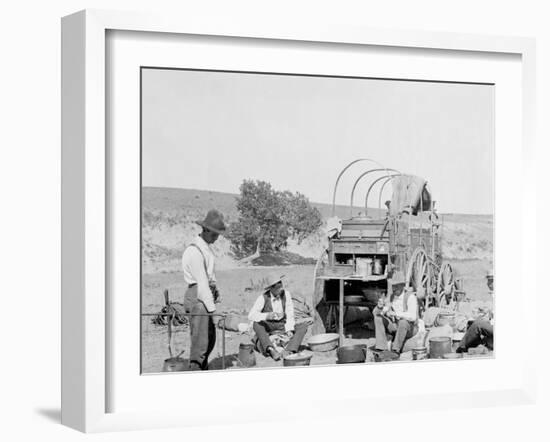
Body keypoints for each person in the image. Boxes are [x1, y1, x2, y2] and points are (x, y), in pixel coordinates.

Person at [181, 209, 226, 370]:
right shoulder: (194, 251)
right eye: (214, 235)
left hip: (205, 295)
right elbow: (201, 284)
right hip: (198, 298)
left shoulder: (205, 247)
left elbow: (209, 277)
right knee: (200, 343)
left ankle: (202, 368)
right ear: (205, 230)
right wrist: (213, 313)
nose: (216, 238)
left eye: (218, 235)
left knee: (209, 340)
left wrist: (216, 292)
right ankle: (196, 371)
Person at [248, 276, 308, 361]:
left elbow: (290, 313)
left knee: (303, 326)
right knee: (256, 324)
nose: (281, 290)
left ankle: (289, 350)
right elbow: (251, 315)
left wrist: (289, 329)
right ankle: (271, 349)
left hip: (282, 326)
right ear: (271, 288)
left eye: (281, 286)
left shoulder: (286, 294)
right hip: (268, 328)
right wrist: (266, 315)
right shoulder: (263, 298)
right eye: (278, 288)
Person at [373, 282, 421, 355]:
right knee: (378, 318)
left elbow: (413, 317)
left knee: (403, 322)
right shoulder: (392, 297)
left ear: (402, 286)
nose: (394, 289)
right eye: (393, 286)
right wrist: (379, 307)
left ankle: (395, 350)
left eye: (396, 286)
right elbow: (376, 313)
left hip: (410, 328)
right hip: (396, 326)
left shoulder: (410, 297)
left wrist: (396, 314)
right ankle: (381, 348)